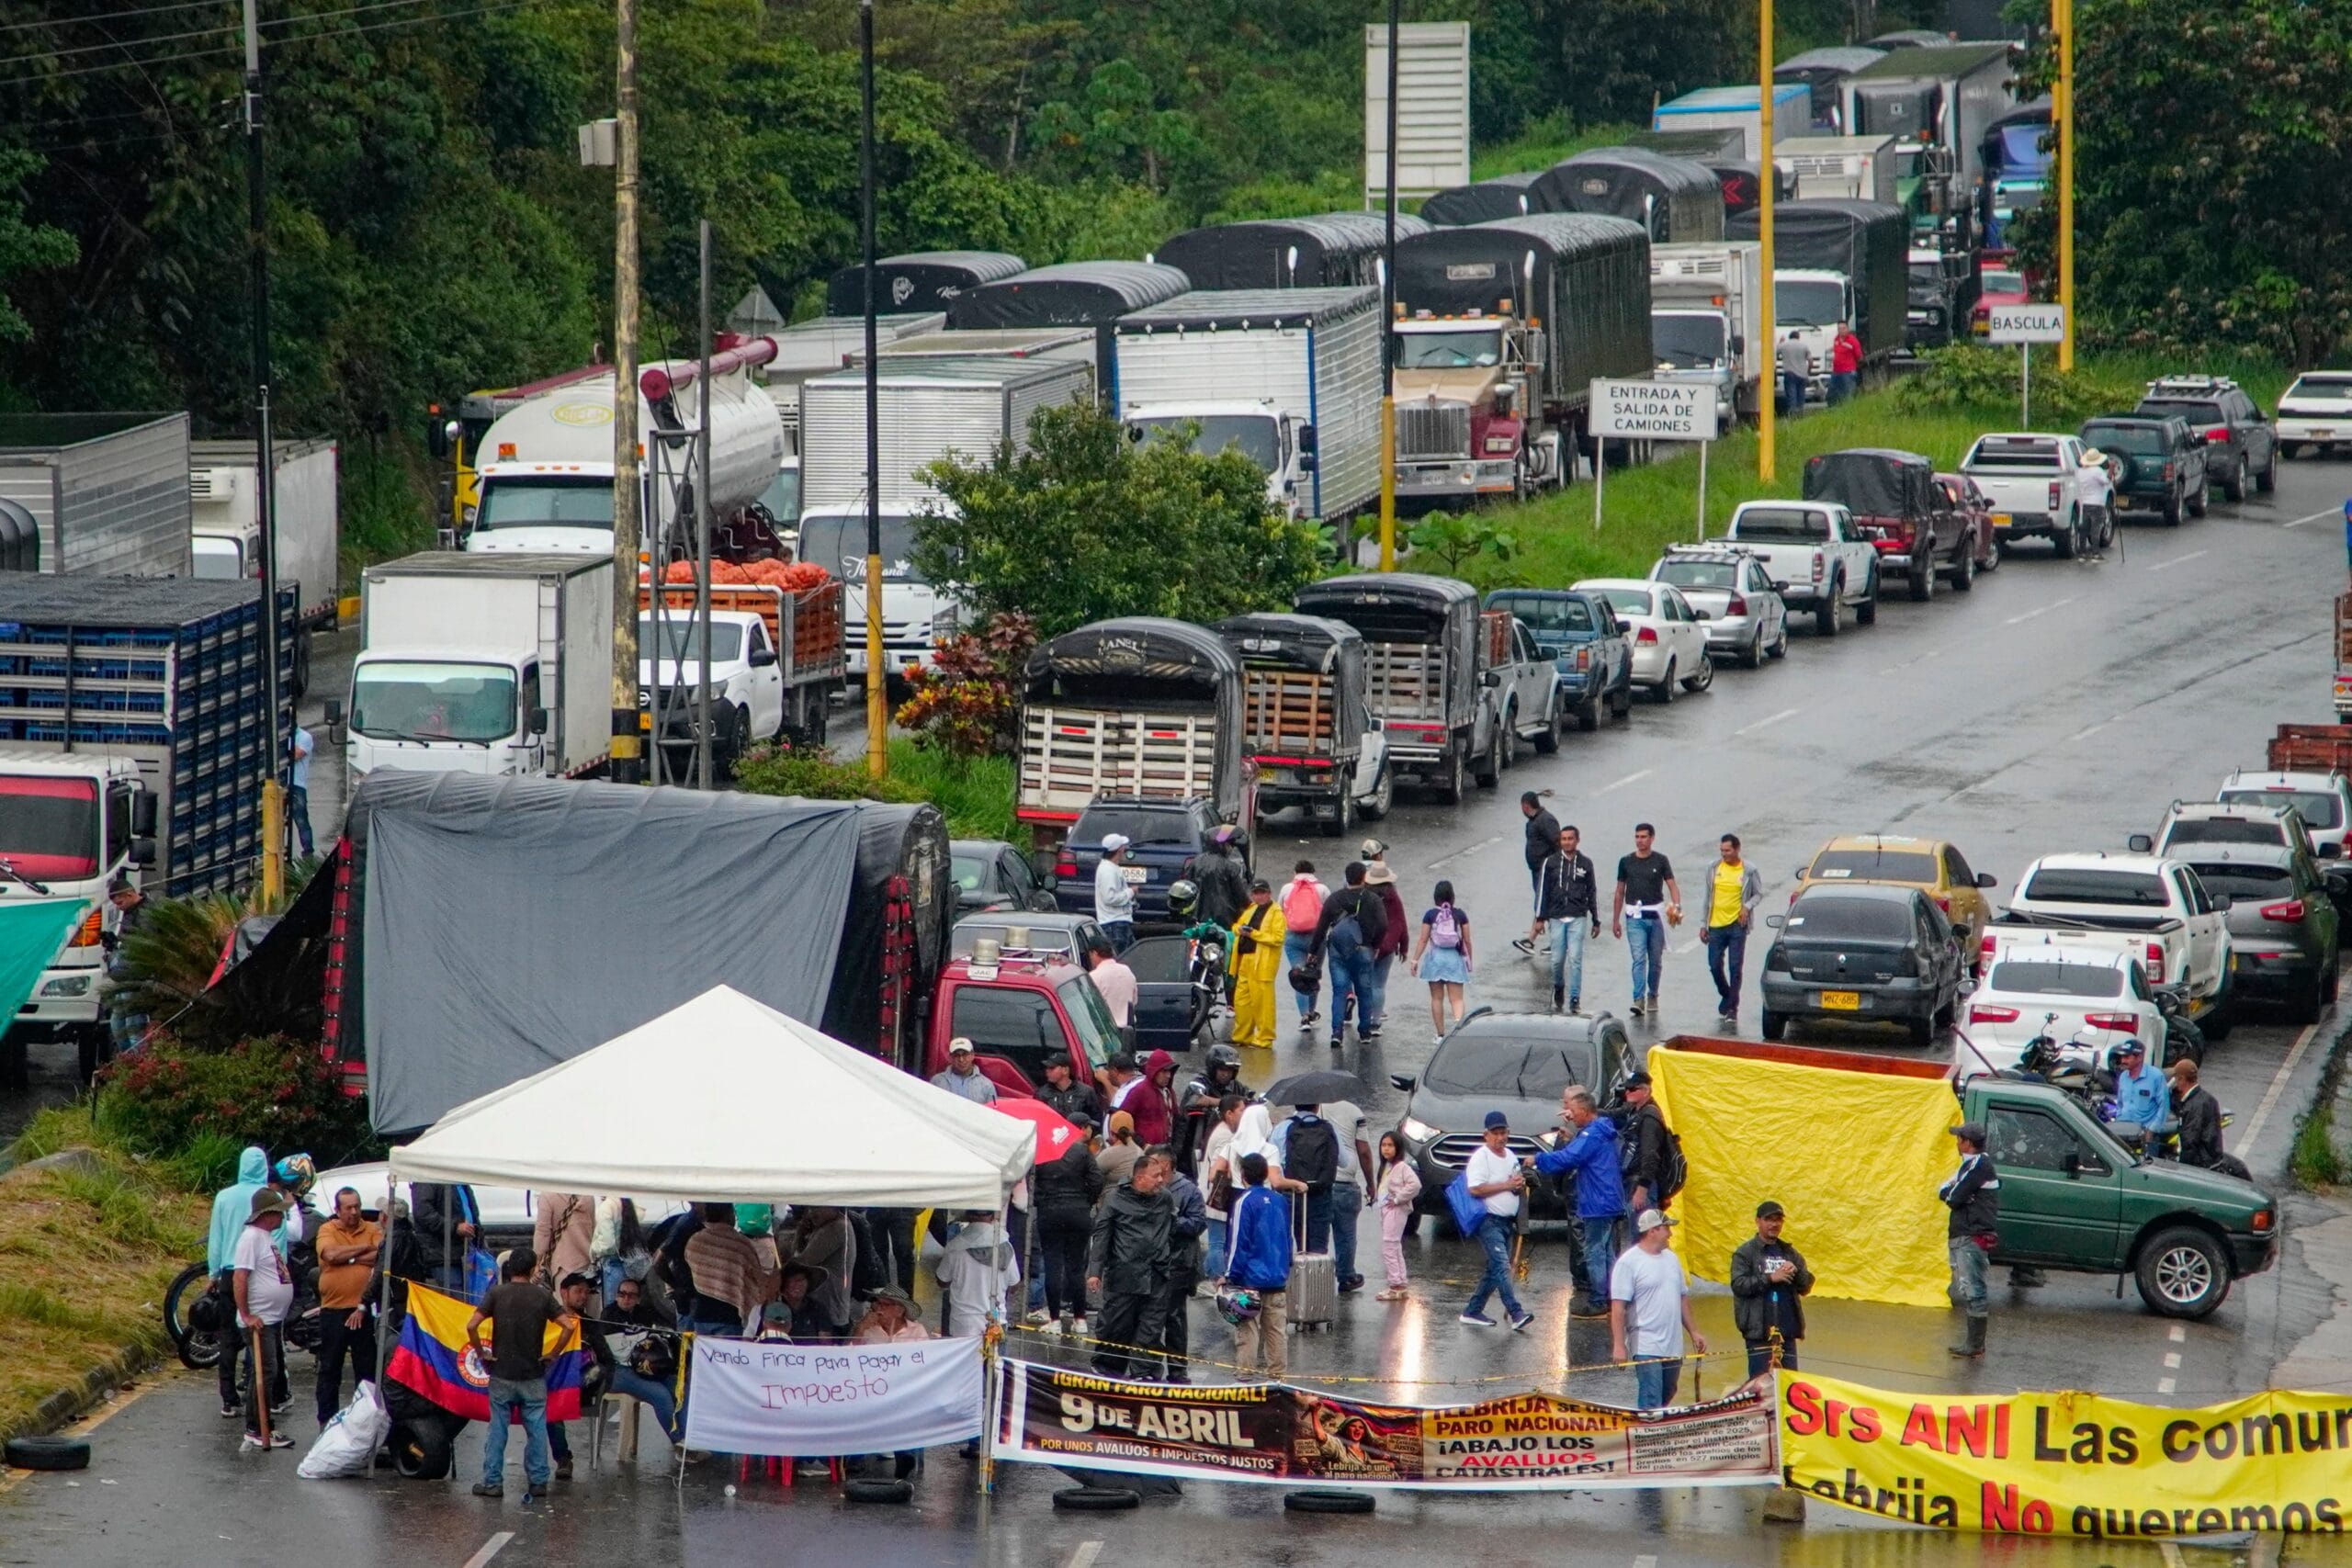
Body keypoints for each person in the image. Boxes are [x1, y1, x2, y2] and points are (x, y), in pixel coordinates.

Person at [467, 1247, 571, 1502]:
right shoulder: (542, 1296)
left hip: (501, 1373)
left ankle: (493, 1482)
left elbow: (472, 1325)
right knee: (536, 1429)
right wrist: (553, 1354)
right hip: (533, 1373)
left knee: (497, 1430)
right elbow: (567, 1326)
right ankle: (538, 1482)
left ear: (510, 1268)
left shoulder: (496, 1294)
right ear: (534, 1269)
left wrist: (482, 1355)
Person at [1530, 1086, 1623, 1319]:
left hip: (1597, 1201)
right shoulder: (1600, 1131)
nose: (1569, 1115)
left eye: (1571, 1110)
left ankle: (1598, 1299)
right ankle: (1613, 1295)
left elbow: (1570, 1158)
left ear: (1583, 1110)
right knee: (1606, 1250)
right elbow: (1583, 1153)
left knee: (1594, 1251)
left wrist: (1537, 1160)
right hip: (1609, 1199)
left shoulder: (1591, 1134)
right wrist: (1573, 1137)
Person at [1088, 1148, 1179, 1380]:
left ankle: (1145, 1373)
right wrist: (1094, 1272)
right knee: (1116, 1326)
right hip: (1124, 1274)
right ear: (1139, 1178)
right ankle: (1107, 1369)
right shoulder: (1116, 1199)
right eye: (1155, 1175)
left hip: (1157, 1275)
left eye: (1161, 1174)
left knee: (1150, 1328)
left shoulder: (1165, 1199)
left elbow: (1174, 1229)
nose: (1161, 1180)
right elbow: (1102, 1235)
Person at [1611, 1209, 1704, 1408]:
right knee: (1651, 1397)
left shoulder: (1672, 1259)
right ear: (1652, 1231)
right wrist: (1619, 1345)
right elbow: (1618, 1308)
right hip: (1646, 1344)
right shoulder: (1629, 1262)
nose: (1670, 1233)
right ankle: (1648, 1433)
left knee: (1668, 1392)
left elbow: (1682, 1298)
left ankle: (1654, 1428)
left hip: (1672, 1344)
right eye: (1666, 1228)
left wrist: (1694, 1332)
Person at [207, 1145, 271, 1418]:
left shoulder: (224, 1197)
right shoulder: (269, 1196)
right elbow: (276, 1239)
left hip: (231, 1272)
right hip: (259, 1271)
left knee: (227, 1337)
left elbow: (216, 1238)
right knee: (258, 1331)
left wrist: (213, 1272)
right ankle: (256, 1392)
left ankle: (228, 1397)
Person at [311, 1185, 382, 1427]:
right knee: (330, 1367)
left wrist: (348, 1257)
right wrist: (362, 1250)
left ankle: (363, 1421)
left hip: (363, 1309)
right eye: (349, 1208)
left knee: (366, 1369)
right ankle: (327, 1422)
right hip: (334, 1310)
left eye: (357, 1206)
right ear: (337, 1210)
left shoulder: (371, 1228)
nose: (354, 1212)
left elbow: (381, 1255)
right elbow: (330, 1255)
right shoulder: (327, 1229)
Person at [232, 1188, 296, 1450]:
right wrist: (246, 1314)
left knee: (269, 1372)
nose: (282, 1218)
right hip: (259, 1319)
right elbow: (240, 1277)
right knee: (264, 1372)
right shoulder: (251, 1239)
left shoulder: (265, 1237)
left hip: (270, 1317)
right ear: (267, 1214)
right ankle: (256, 1427)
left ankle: (262, 1424)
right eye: (278, 1213)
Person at [1460, 1111, 1533, 1332]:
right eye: (1496, 1133)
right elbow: (1474, 1188)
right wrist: (1506, 1186)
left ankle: (1472, 1311)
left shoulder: (1510, 1155)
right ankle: (1516, 1313)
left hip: (1506, 1221)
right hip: (1488, 1220)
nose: (1501, 1137)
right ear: (1486, 1135)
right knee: (1502, 1266)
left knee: (1494, 1270)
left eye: (1504, 1133)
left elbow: (1513, 1182)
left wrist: (1519, 1184)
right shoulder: (1480, 1157)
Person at [1035, 1111, 1105, 1332]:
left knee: (1053, 1264)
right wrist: (1086, 1201)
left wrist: (1043, 1200)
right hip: (1078, 1212)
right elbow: (1097, 1180)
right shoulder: (1082, 1152)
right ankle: (1080, 1318)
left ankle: (1054, 1319)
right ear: (1080, 1128)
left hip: (1050, 1212)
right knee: (1076, 1266)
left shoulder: (1045, 1151)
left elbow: (1033, 1183)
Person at [1729, 1200, 1813, 1377]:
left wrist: (1796, 1272)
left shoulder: (1789, 1252)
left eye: (1778, 1220)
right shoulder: (1745, 1253)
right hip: (1759, 1333)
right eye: (1769, 1219)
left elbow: (1806, 1286)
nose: (1774, 1224)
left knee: (1790, 1386)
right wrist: (1770, 1278)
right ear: (1758, 1221)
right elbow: (1738, 1285)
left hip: (1787, 1333)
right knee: (1761, 1386)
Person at [1309, 861, 1387, 1047]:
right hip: (1364, 949)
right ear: (1363, 877)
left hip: (1338, 951)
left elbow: (1321, 927)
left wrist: (1312, 951)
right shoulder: (1372, 899)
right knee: (1364, 990)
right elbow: (1384, 924)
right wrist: (1375, 944)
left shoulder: (1335, 899)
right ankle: (1365, 1031)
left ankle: (1337, 1033)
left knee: (1339, 991)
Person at [1940, 1121, 1999, 1358]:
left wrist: (1957, 1195)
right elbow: (1944, 1190)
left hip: (1970, 1236)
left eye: (1959, 1138)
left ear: (1968, 1143)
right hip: (1964, 1235)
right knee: (1968, 1288)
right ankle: (1973, 1344)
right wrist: (1956, 1194)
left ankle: (1975, 1345)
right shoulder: (1970, 1165)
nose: (1956, 1142)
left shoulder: (1978, 1165)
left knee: (1973, 1289)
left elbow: (1952, 1197)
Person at [1612, 826, 1680, 1019]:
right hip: (1635, 918)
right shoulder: (1626, 862)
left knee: (1655, 961)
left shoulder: (1660, 860)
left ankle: (1653, 994)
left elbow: (1672, 886)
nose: (1640, 840)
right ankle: (1638, 998)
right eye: (1637, 837)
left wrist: (1676, 905)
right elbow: (1619, 891)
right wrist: (1616, 919)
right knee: (1639, 958)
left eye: (1643, 837)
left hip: (1655, 917)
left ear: (1652, 839)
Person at [1535, 826, 1601, 1014]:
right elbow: (1543, 891)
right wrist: (1540, 918)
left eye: (1570, 838)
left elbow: (1592, 891)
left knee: (1575, 958)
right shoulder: (1551, 862)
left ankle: (1574, 998)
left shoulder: (1586, 864)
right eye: (1563, 839)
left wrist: (1596, 920)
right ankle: (1558, 986)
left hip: (1578, 916)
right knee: (1557, 960)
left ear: (1577, 840)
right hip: (1556, 917)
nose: (1567, 842)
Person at [1701, 834, 1762, 1025]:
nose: (1724, 854)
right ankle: (1728, 995)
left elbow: (1758, 894)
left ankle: (1733, 1009)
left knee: (1735, 968)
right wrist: (1704, 924)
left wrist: (1747, 907)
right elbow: (1707, 898)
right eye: (1722, 851)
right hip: (1716, 925)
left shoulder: (1749, 871)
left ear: (1737, 849)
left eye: (1727, 851)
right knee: (1714, 965)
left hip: (1737, 926)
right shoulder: (1713, 868)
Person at [1408, 879, 1474, 1043]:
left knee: (1437, 998)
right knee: (1456, 999)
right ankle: (1458, 1032)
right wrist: (1469, 960)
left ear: (1435, 897)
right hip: (1455, 959)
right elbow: (1467, 940)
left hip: (1435, 960)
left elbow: (1423, 939)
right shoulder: (1460, 915)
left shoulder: (1430, 915)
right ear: (1452, 896)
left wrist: (1415, 960)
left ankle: (1440, 1035)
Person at [1319, 1099, 1374, 1293]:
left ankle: (1316, 1276)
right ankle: (1346, 1276)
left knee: (1318, 1234)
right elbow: (1364, 1151)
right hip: (1345, 1182)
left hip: (1319, 1183)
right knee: (1346, 1235)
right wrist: (1371, 1184)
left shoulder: (1316, 1108)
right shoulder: (1355, 1111)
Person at [1159, 1161, 1208, 1373]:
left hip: (1179, 1264)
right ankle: (1150, 1368)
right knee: (1147, 1321)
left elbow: (1198, 1223)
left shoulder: (1189, 1191)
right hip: (1153, 1264)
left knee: (1175, 1318)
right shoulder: (1147, 1187)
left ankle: (1178, 1370)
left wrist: (1171, 1222)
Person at [935, 1210, 1019, 1337]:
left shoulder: (955, 1247)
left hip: (963, 1324)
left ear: (968, 1215)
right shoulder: (1006, 1246)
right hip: (996, 1321)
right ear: (993, 1216)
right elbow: (1014, 1284)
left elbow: (942, 1281)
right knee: (995, 1356)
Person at [782, 1206, 855, 1335]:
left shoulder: (837, 1228)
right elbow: (798, 1254)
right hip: (822, 1307)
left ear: (832, 1207)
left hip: (830, 1310)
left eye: (816, 1208)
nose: (811, 1214)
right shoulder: (825, 1226)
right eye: (809, 1209)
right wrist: (802, 1232)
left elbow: (802, 1262)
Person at [1181, 1044, 1249, 1172]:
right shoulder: (1199, 1082)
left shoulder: (1236, 1086)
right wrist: (1229, 1103)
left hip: (1227, 1136)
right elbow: (1198, 1099)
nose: (1226, 1074)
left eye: (1230, 1070)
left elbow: (1249, 1100)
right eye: (1222, 1070)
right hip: (1195, 1137)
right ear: (1213, 1068)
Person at [1202, 1094, 1247, 1281]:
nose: (1244, 1115)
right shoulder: (1226, 1137)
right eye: (1241, 1111)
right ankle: (1221, 1281)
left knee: (1217, 1241)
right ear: (1229, 1114)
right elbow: (1218, 1171)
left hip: (1212, 1195)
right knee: (1218, 1243)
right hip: (1218, 1197)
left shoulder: (1223, 1131)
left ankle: (1205, 1272)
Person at [2168, 1058, 2241, 1174]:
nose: (2175, 1083)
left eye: (2176, 1078)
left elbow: (2189, 1142)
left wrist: (2182, 1170)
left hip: (2200, 1165)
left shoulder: (2194, 1106)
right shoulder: (2206, 1099)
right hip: (2210, 1161)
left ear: (2181, 1079)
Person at [1618, 1071, 1677, 1214]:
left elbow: (1650, 1156)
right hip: (1633, 1181)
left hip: (1641, 1184)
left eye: (1632, 1089)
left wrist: (1642, 1189)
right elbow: (1614, 1114)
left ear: (1645, 1091)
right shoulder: (1635, 1110)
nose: (1627, 1092)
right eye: (1626, 1089)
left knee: (1642, 1232)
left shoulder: (1649, 1118)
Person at [1373, 1131, 1421, 1301]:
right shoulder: (1387, 1166)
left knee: (1389, 1246)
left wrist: (1399, 1198)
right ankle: (1400, 1282)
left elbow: (1415, 1185)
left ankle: (1395, 1285)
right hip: (1387, 1208)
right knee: (1394, 1245)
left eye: (1390, 1145)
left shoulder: (1402, 1167)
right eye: (1383, 1145)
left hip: (1396, 1209)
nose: (1386, 1149)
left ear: (1398, 1148)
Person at [1364, 860, 1409, 1042]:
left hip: (1366, 946)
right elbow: (1401, 922)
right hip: (1388, 947)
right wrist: (1404, 947)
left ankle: (1364, 1019)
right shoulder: (1393, 897)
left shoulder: (1365, 896)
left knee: (1365, 984)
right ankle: (1376, 1022)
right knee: (1379, 985)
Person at [1279, 861, 1328, 1029]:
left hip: (1293, 938)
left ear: (1295, 871)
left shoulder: (1287, 889)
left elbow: (1280, 910)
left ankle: (1304, 1016)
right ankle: (1312, 1011)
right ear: (1313, 871)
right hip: (1316, 938)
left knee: (1299, 975)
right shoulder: (1322, 889)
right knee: (1313, 974)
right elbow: (1329, 912)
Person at [1514, 791, 1561, 953]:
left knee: (1545, 904)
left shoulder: (1545, 820)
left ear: (1525, 806)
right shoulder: (1535, 821)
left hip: (1546, 871)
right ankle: (1533, 940)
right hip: (1538, 870)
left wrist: (1556, 866)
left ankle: (1538, 940)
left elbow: (1558, 843)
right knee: (1543, 904)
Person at [1182, 825, 1251, 931]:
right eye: (1229, 845)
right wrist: (1251, 907)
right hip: (1224, 918)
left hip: (1197, 916)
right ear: (1222, 846)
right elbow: (1240, 895)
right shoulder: (1229, 867)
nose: (1231, 848)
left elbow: (1186, 886)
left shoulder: (1195, 863)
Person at [532, 1191, 595, 1293]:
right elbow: (593, 1228)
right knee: (591, 1307)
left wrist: (537, 1261)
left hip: (563, 1265)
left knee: (565, 1308)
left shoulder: (548, 1195)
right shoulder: (588, 1195)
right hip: (588, 1264)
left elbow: (543, 1233)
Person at [2110, 1040, 2172, 1136]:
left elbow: (2164, 1106)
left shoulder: (2156, 1076)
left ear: (2139, 1057)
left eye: (2126, 1057)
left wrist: (2152, 1130)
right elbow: (2120, 1103)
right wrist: (2119, 1120)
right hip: (2124, 1131)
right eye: (2122, 1057)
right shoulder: (2123, 1076)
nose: (2123, 1061)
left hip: (2146, 1134)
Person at [1037, 1055, 1105, 1130]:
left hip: (1081, 1137)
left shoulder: (1086, 1092)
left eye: (1052, 1068)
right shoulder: (1042, 1094)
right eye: (1047, 1068)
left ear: (1065, 1070)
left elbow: (1097, 1121)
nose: (1047, 1070)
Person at [1094, 833, 1137, 952]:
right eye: (1124, 848)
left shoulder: (1111, 867)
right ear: (1120, 850)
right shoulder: (1108, 870)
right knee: (1121, 959)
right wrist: (1130, 892)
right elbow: (1109, 898)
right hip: (1114, 925)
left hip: (1118, 923)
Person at [1125, 1049, 1177, 1145]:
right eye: (1164, 1071)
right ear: (1154, 1071)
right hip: (1145, 1152)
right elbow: (1122, 1119)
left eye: (1170, 1071)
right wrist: (1141, 1144)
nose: (1169, 1075)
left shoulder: (1169, 1092)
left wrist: (1177, 1146)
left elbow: (1177, 1118)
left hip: (1166, 1149)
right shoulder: (1139, 1091)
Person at [932, 1036, 1000, 1105]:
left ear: (972, 1055)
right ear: (950, 1057)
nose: (961, 1059)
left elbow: (993, 1112)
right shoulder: (937, 1082)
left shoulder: (986, 1085)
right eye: (956, 1055)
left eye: (965, 1054)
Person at [288, 724, 316, 856]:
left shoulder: (305, 737)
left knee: (301, 820)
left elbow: (297, 754)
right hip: (280, 784)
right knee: (276, 821)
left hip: (297, 785)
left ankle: (308, 853)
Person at [1097, 1109, 1143, 1190]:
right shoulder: (1140, 1151)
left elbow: (1092, 1174)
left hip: (1112, 1199)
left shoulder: (1109, 1154)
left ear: (1111, 1132)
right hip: (1137, 1198)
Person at [2077, 450, 2114, 548]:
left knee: (2084, 529)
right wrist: (2111, 468)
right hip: (2097, 504)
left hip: (2084, 503)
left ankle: (2082, 552)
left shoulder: (2080, 472)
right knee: (2095, 529)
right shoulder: (2097, 471)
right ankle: (2095, 553)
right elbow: (2107, 481)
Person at [1777, 331, 1811, 416]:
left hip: (1790, 373)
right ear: (1798, 337)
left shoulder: (1784, 345)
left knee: (1791, 394)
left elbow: (1775, 354)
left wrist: (1780, 342)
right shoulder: (1804, 346)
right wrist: (1808, 371)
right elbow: (1811, 361)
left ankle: (1792, 414)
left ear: (1790, 337)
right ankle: (1800, 412)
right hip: (1803, 374)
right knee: (1801, 394)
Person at [1828, 325, 1862, 405]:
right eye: (1839, 329)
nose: (1841, 330)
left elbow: (1859, 356)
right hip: (1836, 371)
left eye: (1843, 328)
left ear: (1848, 329)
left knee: (1848, 393)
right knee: (1832, 394)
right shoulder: (1836, 339)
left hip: (1848, 372)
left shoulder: (1853, 341)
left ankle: (1849, 409)